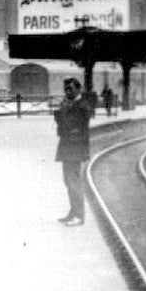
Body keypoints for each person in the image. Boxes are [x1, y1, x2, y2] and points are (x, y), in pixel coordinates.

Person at [54, 78, 92, 226]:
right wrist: (63, 113)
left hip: (75, 147)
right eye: (66, 89)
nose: (67, 92)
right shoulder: (72, 105)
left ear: (78, 89)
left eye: (70, 89)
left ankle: (79, 215)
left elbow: (70, 125)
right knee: (68, 181)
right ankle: (73, 212)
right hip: (68, 146)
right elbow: (61, 129)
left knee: (74, 180)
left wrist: (62, 112)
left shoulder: (82, 106)